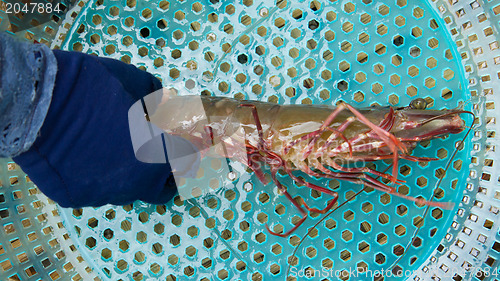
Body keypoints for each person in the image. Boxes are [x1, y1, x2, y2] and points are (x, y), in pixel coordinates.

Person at [0, 32, 178, 208]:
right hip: (50, 79)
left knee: (154, 171)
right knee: (153, 170)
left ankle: (170, 172)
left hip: (39, 68)